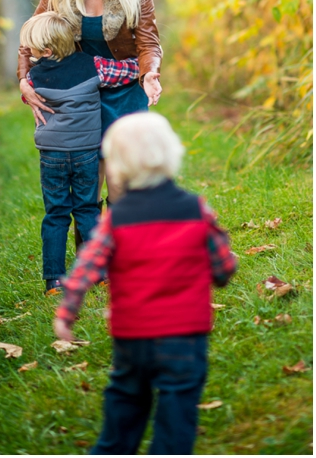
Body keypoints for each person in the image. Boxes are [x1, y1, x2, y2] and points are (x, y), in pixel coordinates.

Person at [53, 112, 238, 455]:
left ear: (117, 168)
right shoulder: (195, 210)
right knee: (177, 413)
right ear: (172, 154)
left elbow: (87, 266)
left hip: (132, 336)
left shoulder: (117, 220)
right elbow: (223, 263)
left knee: (125, 401)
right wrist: (222, 273)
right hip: (184, 335)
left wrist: (67, 312)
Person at [18, 0, 164, 223]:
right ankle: (91, 261)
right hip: (81, 93)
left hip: (125, 90)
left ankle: (123, 257)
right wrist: (23, 80)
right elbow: (31, 35)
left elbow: (148, 41)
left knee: (121, 179)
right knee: (89, 183)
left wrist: (150, 73)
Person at [19, 12, 140, 295]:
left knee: (56, 214)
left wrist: (25, 85)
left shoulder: (33, 77)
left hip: (52, 155)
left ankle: (54, 280)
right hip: (86, 152)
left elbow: (27, 94)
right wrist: (141, 65)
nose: (31, 54)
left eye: (32, 49)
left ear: (46, 51)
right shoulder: (93, 66)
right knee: (87, 209)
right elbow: (126, 71)